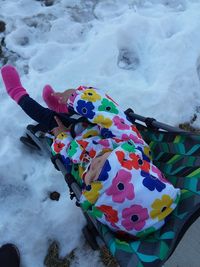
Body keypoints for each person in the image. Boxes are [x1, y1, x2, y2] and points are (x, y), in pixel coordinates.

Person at [1, 65, 180, 238]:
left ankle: (17, 93)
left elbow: (73, 158)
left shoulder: (94, 188)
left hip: (73, 138)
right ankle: (62, 107)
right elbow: (109, 113)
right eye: (103, 161)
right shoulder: (130, 144)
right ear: (126, 157)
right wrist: (75, 97)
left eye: (92, 175)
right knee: (87, 112)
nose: (93, 164)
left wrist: (62, 137)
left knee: (44, 117)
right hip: (96, 125)